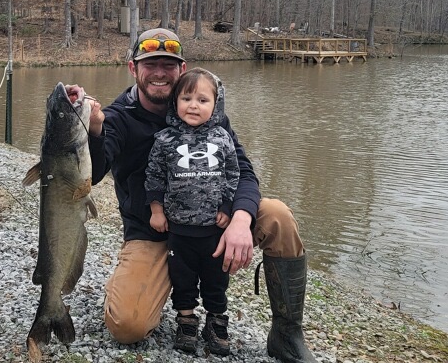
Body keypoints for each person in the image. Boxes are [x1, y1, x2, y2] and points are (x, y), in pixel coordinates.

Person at [75, 27, 318, 362]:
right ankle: (150, 288)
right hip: (155, 231)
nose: (159, 73)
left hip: (213, 220)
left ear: (182, 69)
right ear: (133, 69)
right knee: (127, 326)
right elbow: (94, 171)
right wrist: (95, 128)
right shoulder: (119, 118)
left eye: (168, 65)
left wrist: (239, 217)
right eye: (150, 64)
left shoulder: (210, 114)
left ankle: (287, 333)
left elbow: (243, 171)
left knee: (277, 216)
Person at [145, 67, 240, 355]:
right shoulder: (164, 140)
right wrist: (156, 210)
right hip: (179, 230)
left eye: (202, 100)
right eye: (186, 98)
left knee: (216, 279)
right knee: (182, 278)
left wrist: (227, 206)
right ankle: (186, 321)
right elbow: (154, 177)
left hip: (213, 229)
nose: (194, 106)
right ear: (175, 102)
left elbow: (233, 174)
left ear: (216, 104)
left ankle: (216, 321)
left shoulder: (223, 138)